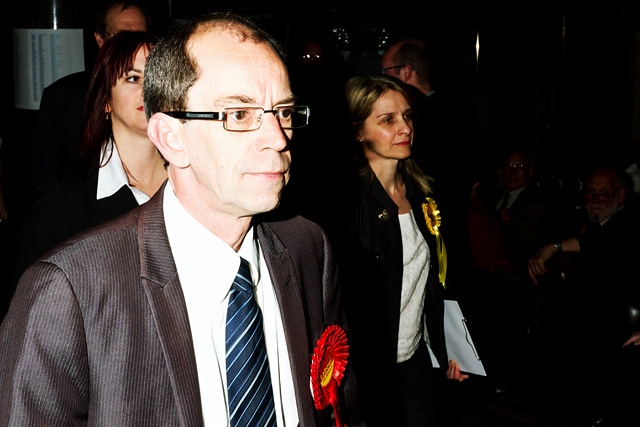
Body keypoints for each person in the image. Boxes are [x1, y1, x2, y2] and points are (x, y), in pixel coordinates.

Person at [0, 12, 364, 427]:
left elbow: (343, 410)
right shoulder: (69, 292)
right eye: (239, 115)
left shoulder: (307, 246)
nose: (278, 138)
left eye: (282, 111)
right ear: (172, 138)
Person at [338, 73, 467, 427]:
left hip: (415, 358)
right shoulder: (348, 206)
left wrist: (452, 346)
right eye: (387, 120)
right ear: (357, 131)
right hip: (367, 368)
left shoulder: (423, 193)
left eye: (407, 116)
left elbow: (438, 280)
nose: (404, 128)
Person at [12, 30, 163, 286]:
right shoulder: (64, 196)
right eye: (133, 78)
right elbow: (30, 305)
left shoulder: (196, 181)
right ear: (106, 101)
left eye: (158, 77)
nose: (148, 89)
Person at [528, 163, 640, 425]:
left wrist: (554, 247)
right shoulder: (578, 219)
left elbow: (605, 242)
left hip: (621, 313)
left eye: (603, 194)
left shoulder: (630, 220)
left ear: (620, 196)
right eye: (590, 193)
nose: (596, 200)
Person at [380, 37, 488, 285]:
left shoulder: (417, 121)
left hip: (431, 247)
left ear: (406, 72)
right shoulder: (461, 111)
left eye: (384, 72)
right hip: (456, 242)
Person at [33, 0, 151, 181]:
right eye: (121, 37)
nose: (131, 46)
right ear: (99, 39)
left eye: (140, 36)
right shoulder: (62, 98)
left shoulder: (166, 95)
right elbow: (46, 178)